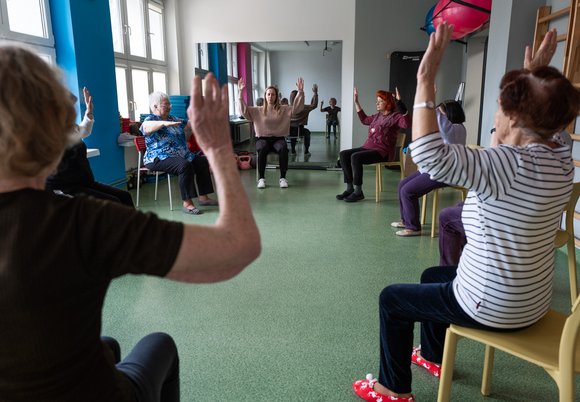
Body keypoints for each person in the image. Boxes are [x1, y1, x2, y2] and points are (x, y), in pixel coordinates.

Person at [0, 44, 260, 402]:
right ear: (54, 128)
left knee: (107, 344)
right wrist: (217, 148)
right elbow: (238, 247)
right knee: (159, 344)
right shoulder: (81, 222)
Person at [352, 25, 579, 402]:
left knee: (392, 299)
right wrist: (535, 76)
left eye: (499, 107)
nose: (495, 114)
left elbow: (429, 156)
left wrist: (424, 79)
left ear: (514, 116)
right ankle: (434, 356)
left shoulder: (507, 164)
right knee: (432, 275)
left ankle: (392, 388)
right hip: (531, 303)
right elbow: (552, 119)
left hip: (493, 305)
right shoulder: (560, 156)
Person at [45, 87, 134, 207]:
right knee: (114, 204)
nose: (72, 111)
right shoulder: (47, 132)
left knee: (125, 196)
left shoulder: (68, 126)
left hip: (84, 183)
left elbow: (83, 132)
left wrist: (89, 114)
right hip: (65, 188)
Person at [391, 100, 466, 236]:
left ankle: (413, 227)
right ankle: (406, 220)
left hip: (445, 173)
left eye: (442, 112)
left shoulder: (456, 128)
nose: (439, 115)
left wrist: (430, 101)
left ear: (449, 113)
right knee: (402, 185)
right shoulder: (450, 129)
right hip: (434, 169)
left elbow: (439, 121)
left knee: (408, 191)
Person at [140, 91, 218, 215]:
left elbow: (188, 124)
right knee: (184, 165)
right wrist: (163, 123)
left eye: (170, 105)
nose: (170, 107)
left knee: (201, 161)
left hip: (180, 154)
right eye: (166, 105)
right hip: (158, 157)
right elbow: (146, 127)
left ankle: (203, 197)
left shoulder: (173, 118)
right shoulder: (150, 119)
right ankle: (187, 203)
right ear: (155, 106)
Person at [337, 87, 411, 202]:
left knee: (355, 157)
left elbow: (407, 124)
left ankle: (358, 191)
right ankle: (350, 188)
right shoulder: (377, 116)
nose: (377, 103)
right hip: (368, 147)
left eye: (380, 101)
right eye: (377, 100)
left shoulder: (396, 117)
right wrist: (356, 102)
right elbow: (364, 119)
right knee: (343, 154)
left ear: (388, 103)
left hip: (383, 151)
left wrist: (400, 103)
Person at [237, 77, 304, 189]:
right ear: (265, 96)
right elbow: (244, 111)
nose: (270, 96)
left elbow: (297, 109)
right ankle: (261, 179)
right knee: (262, 148)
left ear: (276, 96)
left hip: (278, 139)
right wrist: (240, 92)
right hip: (263, 139)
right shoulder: (257, 110)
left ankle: (282, 178)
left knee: (283, 148)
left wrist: (300, 92)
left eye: (273, 94)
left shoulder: (284, 109)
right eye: (268, 94)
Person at [289, 84, 318, 155]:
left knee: (293, 133)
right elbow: (314, 105)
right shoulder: (304, 108)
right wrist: (315, 93)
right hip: (299, 130)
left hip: (289, 131)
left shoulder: (287, 108)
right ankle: (306, 150)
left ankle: (293, 150)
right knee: (307, 133)